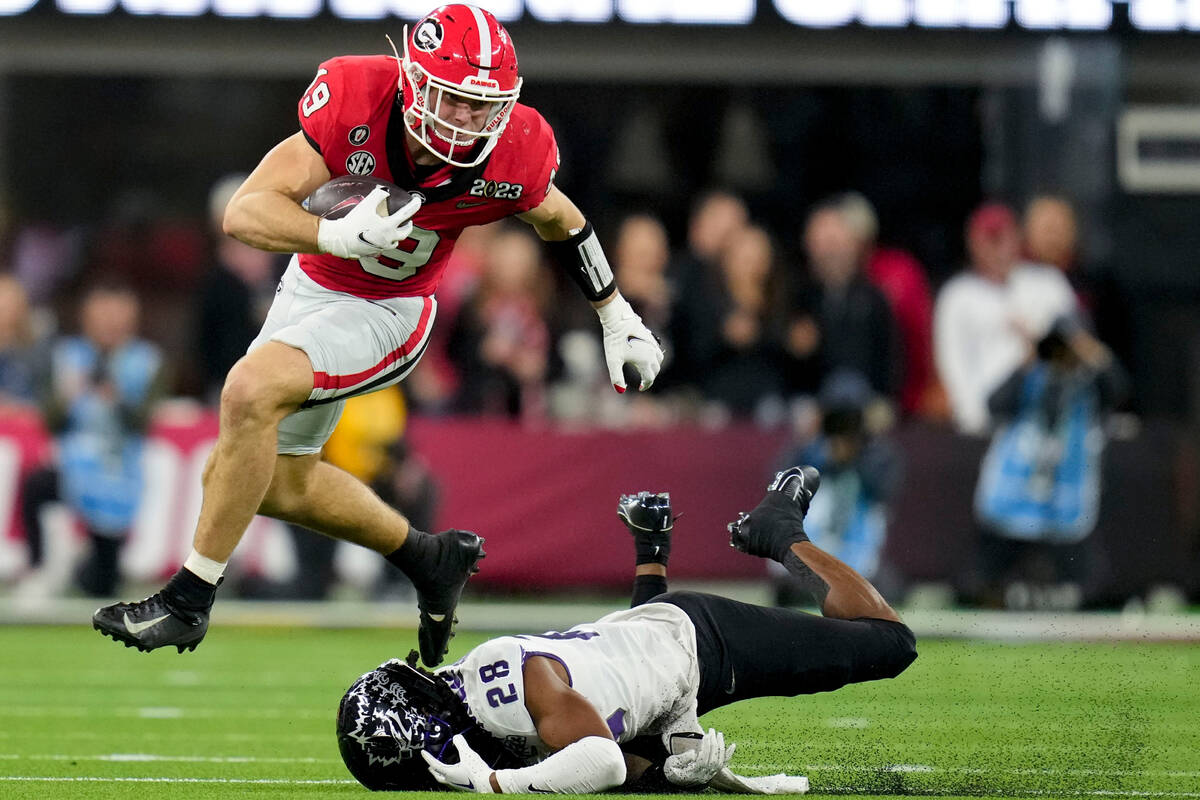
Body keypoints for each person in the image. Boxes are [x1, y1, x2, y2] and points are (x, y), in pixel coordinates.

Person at [92, 4, 664, 667]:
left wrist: (616, 313)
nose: (468, 122)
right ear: (414, 81)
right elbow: (246, 212)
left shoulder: (513, 152)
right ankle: (429, 557)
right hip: (311, 284)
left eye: (484, 107)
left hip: (394, 307)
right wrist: (330, 233)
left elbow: (562, 221)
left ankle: (187, 601)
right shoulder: (357, 94)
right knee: (269, 481)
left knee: (248, 392)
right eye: (453, 99)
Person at [335, 465, 917, 793]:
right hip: (650, 661)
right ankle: (651, 548)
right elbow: (617, 759)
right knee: (650, 779)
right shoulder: (482, 703)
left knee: (889, 643)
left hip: (704, 644)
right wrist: (677, 773)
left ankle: (780, 529)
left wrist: (491, 783)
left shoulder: (498, 697)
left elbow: (602, 761)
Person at [21, 281, 166, 597]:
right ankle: (39, 565)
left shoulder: (146, 361)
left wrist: (117, 398)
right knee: (36, 485)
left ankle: (85, 568)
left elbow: (143, 423)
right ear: (87, 317)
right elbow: (52, 422)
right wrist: (69, 396)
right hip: (75, 463)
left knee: (102, 583)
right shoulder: (67, 356)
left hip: (119, 470)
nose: (110, 323)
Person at [933, 202, 1077, 436]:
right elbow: (953, 366)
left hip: (1046, 420)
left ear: (1018, 238)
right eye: (989, 240)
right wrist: (974, 420)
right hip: (989, 420)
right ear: (973, 244)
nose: (996, 248)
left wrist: (1037, 342)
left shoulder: (1049, 283)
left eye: (1002, 238)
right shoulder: (958, 295)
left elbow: (1077, 353)